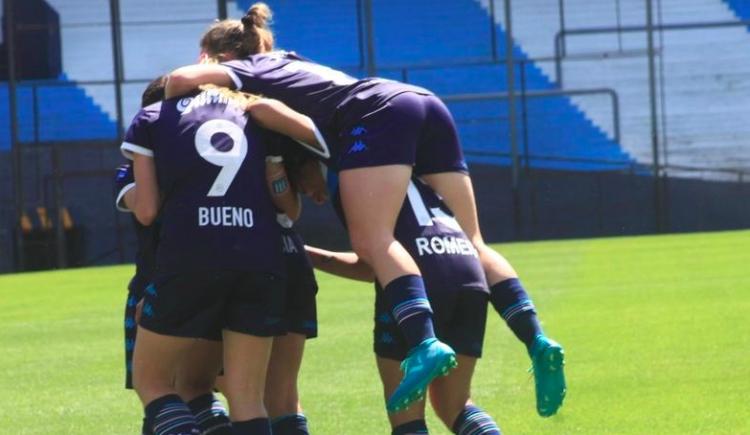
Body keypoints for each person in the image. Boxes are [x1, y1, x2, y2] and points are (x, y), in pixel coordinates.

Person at [166, 4, 566, 416]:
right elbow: (309, 129)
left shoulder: (249, 69)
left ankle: (426, 342)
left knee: (374, 240)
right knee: (474, 240)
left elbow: (179, 80)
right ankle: (535, 338)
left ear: (221, 56)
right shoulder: (292, 63)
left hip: (378, 111)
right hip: (423, 103)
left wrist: (195, 88)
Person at [123, 81, 320, 434]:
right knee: (250, 396)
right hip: (265, 260)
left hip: (190, 262)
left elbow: (147, 210)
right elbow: (290, 208)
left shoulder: (153, 123)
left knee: (156, 383)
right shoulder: (253, 117)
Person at [303, 173, 501, 435]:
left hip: (415, 287)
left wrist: (304, 254)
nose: (310, 195)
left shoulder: (352, 180)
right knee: (455, 405)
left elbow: (376, 262)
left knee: (406, 415)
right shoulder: (417, 173)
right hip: (467, 271)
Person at [115, 78, 232, 435]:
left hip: (164, 283)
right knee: (196, 388)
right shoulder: (210, 158)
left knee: (159, 387)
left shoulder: (134, 169)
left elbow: (146, 210)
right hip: (221, 277)